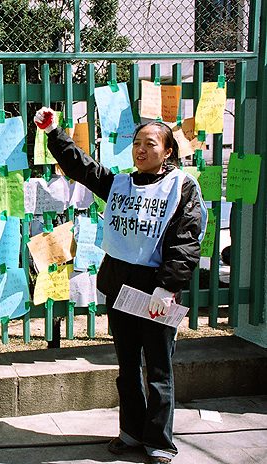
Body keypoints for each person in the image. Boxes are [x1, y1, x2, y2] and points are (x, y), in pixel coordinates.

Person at [34, 107, 207, 464]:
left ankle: (159, 440)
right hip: (120, 284)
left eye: (150, 144)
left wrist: (167, 287)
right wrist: (53, 132)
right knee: (127, 366)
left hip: (157, 288)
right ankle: (131, 430)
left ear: (168, 151)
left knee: (158, 369)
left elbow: (186, 239)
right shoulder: (120, 184)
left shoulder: (182, 186)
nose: (141, 149)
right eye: (137, 143)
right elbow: (82, 167)